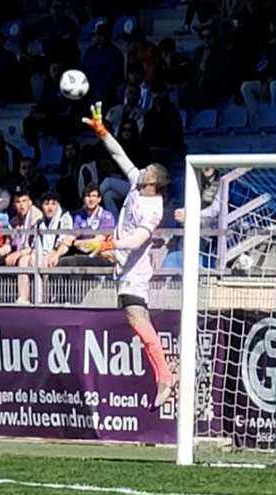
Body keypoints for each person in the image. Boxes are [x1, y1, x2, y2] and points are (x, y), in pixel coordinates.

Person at [78, 102, 172, 409]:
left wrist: (109, 245)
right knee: (137, 321)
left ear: (154, 181)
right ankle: (165, 375)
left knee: (136, 319)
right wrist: (102, 131)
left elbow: (137, 240)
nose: (143, 169)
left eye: (149, 170)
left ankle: (165, 378)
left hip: (136, 270)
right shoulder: (136, 185)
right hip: (123, 265)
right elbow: (119, 155)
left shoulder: (154, 208)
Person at [16, 192, 74, 303]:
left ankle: (42, 300)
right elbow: (34, 244)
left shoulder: (65, 217)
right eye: (47, 204)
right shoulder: (39, 222)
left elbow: (67, 241)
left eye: (53, 204)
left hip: (58, 252)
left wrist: (56, 254)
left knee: (40, 261)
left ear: (58, 205)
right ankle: (23, 299)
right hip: (40, 252)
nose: (50, 207)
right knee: (23, 261)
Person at [59, 183, 116, 267]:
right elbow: (69, 238)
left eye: (94, 196)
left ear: (99, 199)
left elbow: (97, 242)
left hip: (102, 254)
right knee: (61, 259)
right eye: (88, 196)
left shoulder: (107, 216)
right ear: (83, 199)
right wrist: (56, 255)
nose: (91, 199)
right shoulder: (79, 216)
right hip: (84, 253)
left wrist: (76, 243)